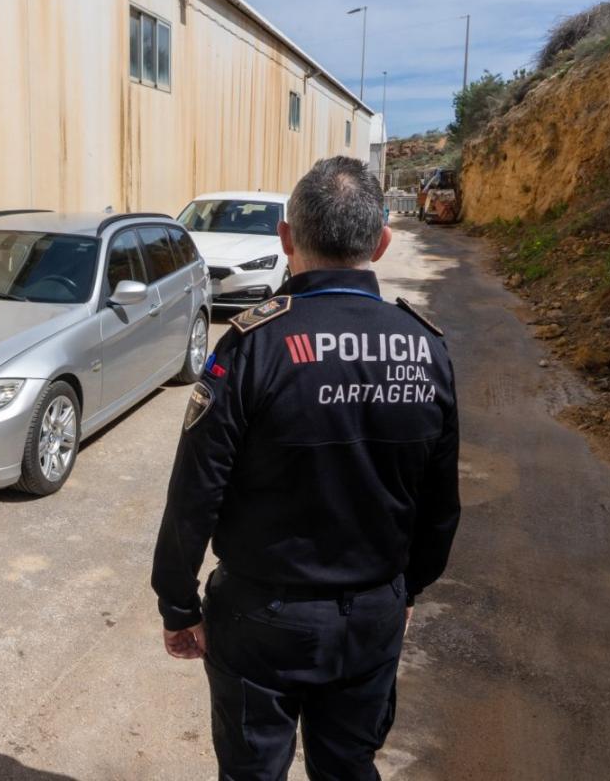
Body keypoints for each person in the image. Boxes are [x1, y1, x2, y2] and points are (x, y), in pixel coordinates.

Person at [151, 156, 459, 780]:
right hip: (372, 612)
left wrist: (177, 603)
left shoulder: (252, 344)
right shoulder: (424, 347)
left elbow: (195, 493)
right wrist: (408, 589)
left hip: (263, 619)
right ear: (382, 242)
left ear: (286, 240)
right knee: (348, 765)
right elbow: (440, 501)